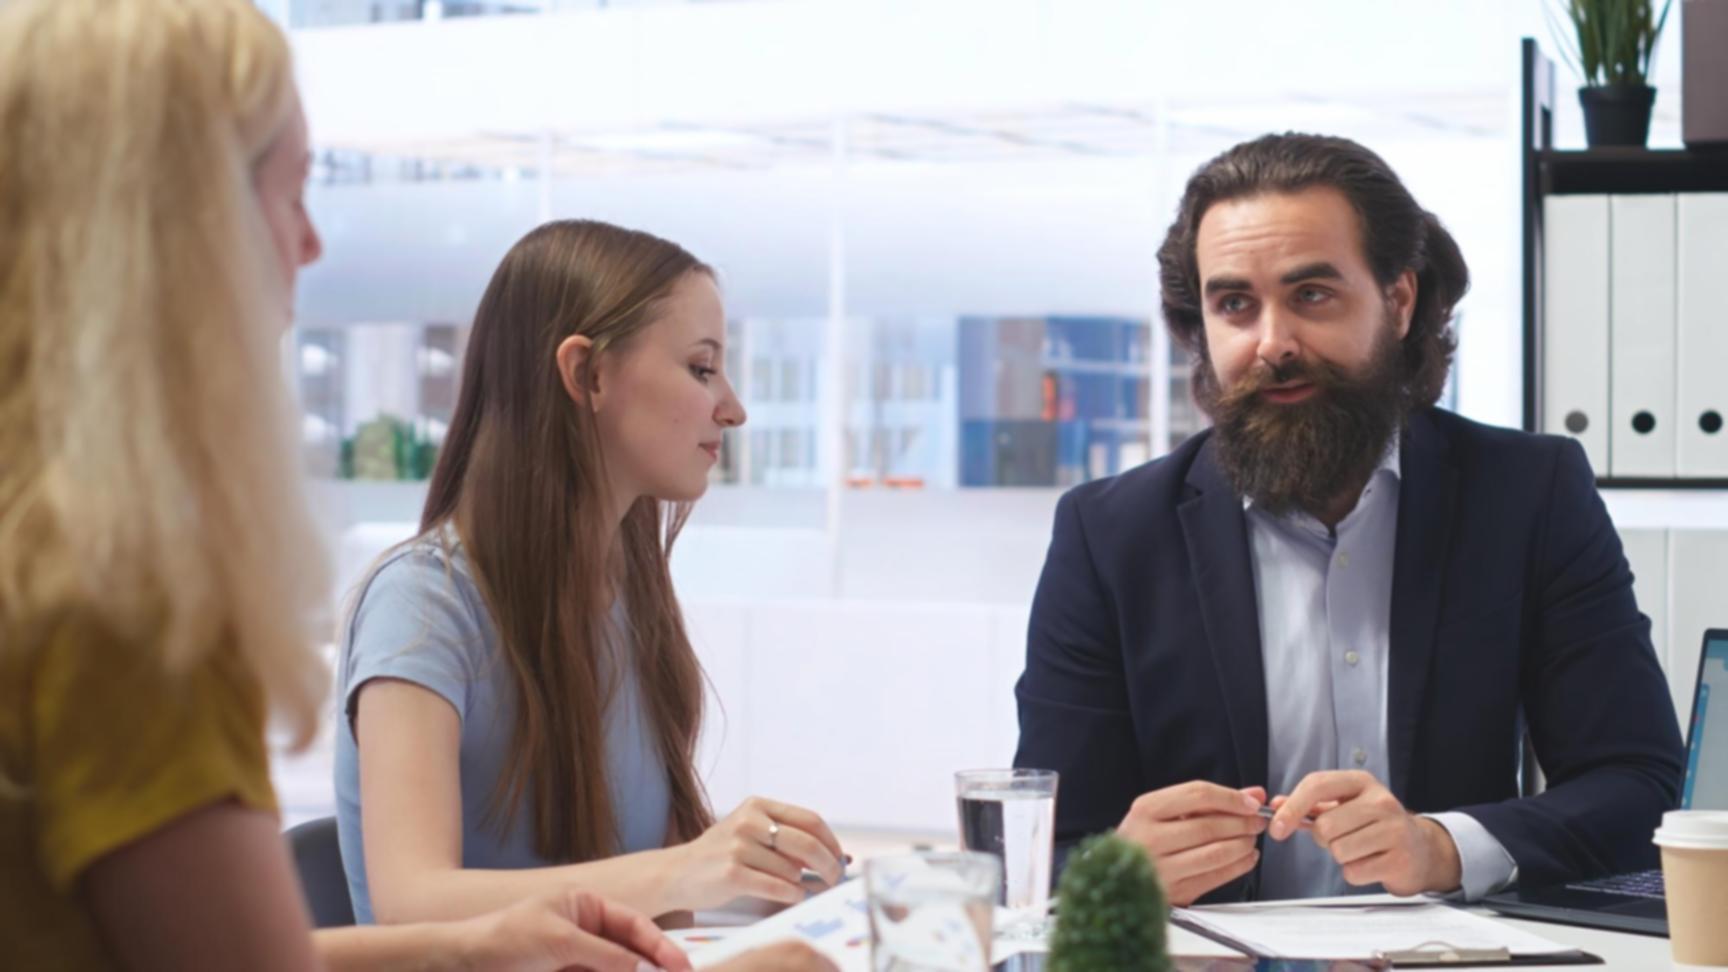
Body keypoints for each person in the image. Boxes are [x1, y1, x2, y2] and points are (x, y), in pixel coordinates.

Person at [0, 2, 829, 969]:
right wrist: (668, 885)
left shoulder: (65, 565)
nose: (312, 245)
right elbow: (330, 932)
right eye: (288, 192)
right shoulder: (116, 603)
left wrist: (520, 934)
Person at [1013, 132, 1685, 906]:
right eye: (1235, 305)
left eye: (1311, 295)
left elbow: (1637, 786)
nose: (1273, 344)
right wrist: (1117, 868)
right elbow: (1041, 851)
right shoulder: (1109, 534)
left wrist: (1442, 847)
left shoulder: (1529, 493)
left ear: (1398, 302)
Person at [336, 219, 849, 927]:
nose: (732, 409)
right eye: (702, 369)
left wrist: (783, 879)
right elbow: (412, 903)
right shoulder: (421, 605)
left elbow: (647, 887)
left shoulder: (626, 596)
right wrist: (684, 870)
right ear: (587, 374)